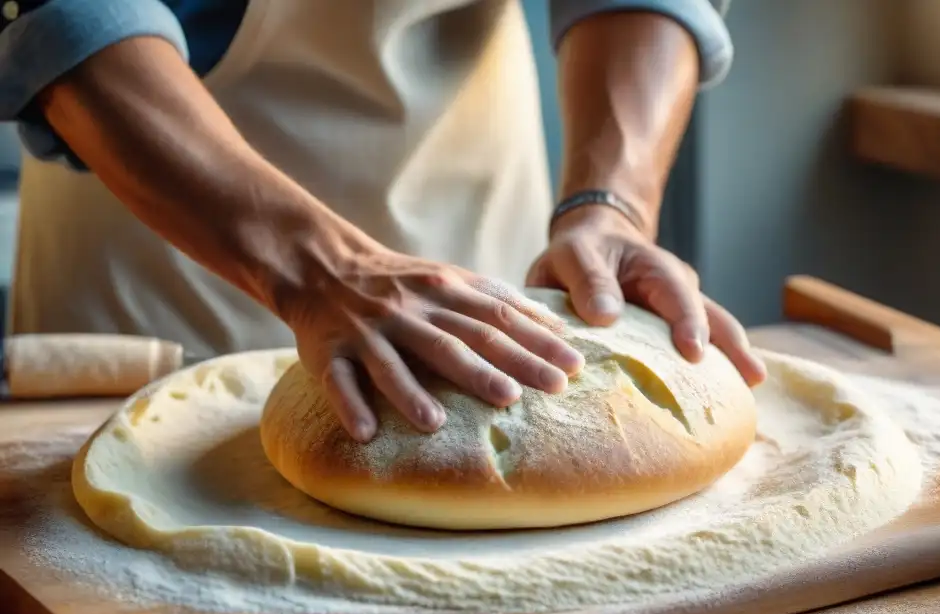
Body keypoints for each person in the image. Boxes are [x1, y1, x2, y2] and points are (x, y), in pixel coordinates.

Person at [1, 0, 765, 442]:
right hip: (159, 267)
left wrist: (611, 205)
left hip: (484, 242)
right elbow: (68, 18)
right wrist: (317, 268)